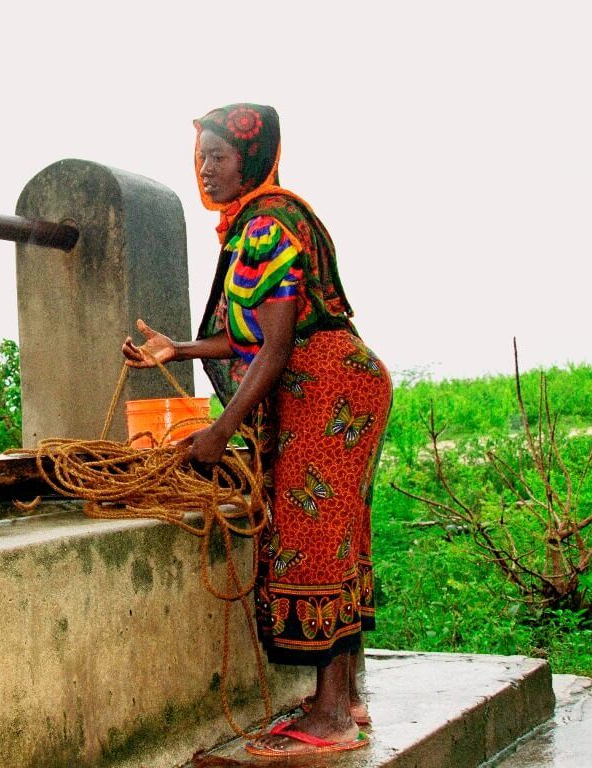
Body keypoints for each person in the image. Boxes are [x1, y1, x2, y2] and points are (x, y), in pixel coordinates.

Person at [122, 103, 391, 758]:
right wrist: (177, 352)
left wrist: (220, 429)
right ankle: (343, 695)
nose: (205, 170)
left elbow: (271, 348)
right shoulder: (253, 223)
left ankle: (331, 720)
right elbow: (243, 336)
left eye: (217, 157)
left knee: (311, 535)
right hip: (332, 383)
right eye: (199, 158)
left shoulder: (268, 223)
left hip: (324, 389)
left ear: (251, 157)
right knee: (336, 532)